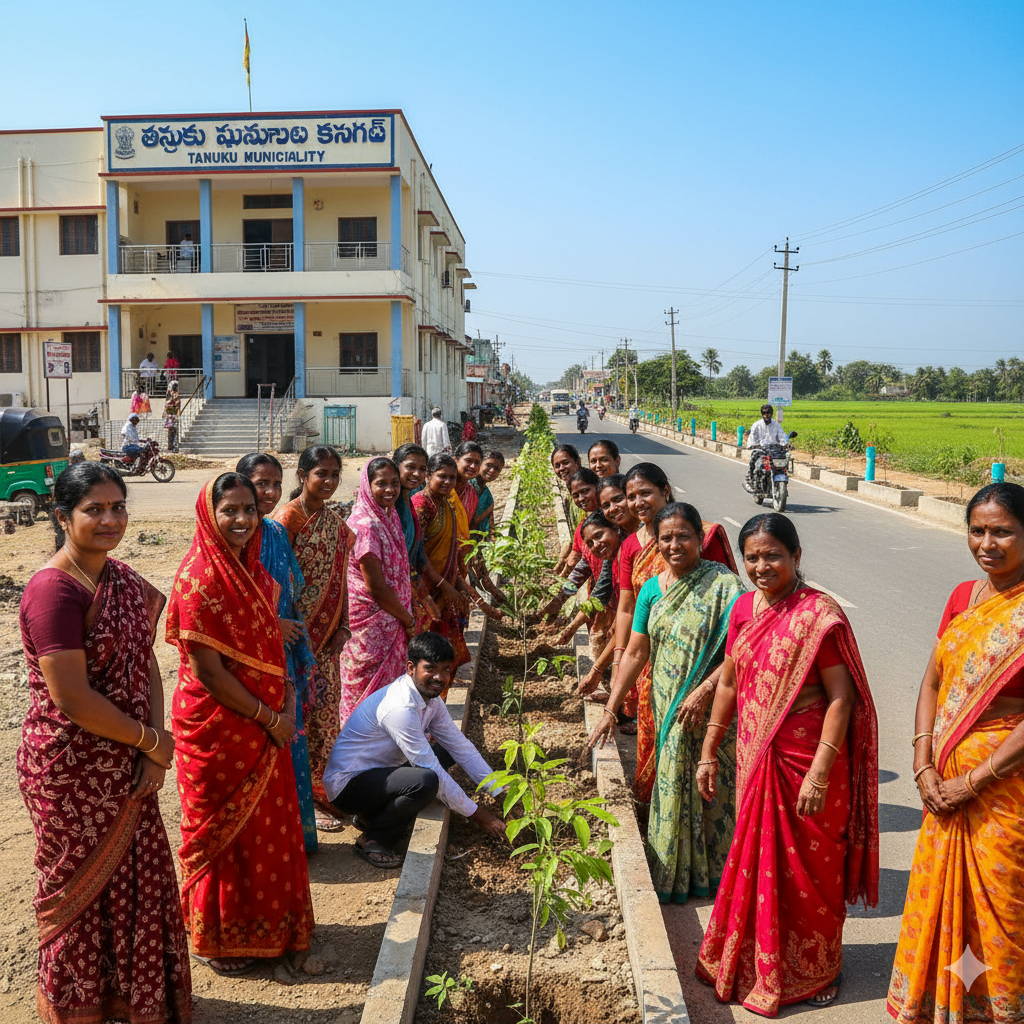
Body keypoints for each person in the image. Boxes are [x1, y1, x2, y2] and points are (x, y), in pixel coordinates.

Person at [18, 463, 191, 1022]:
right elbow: (71, 697)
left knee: (137, 882)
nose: (110, 519)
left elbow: (147, 667)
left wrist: (153, 750)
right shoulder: (52, 591)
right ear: (63, 515)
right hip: (72, 772)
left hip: (131, 760)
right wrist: (149, 739)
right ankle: (79, 1005)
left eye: (118, 506)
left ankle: (134, 998)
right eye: (94, 509)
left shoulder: (124, 580)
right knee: (80, 890)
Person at [695, 513, 879, 1013]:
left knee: (812, 869)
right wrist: (710, 749)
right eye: (752, 556)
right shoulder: (743, 609)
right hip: (757, 753)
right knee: (756, 859)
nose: (761, 565)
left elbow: (842, 698)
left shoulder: (819, 614)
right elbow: (729, 683)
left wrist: (820, 771)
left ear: (796, 556)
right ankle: (755, 962)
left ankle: (816, 968)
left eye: (773, 555)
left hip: (809, 757)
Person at [888, 482, 1024, 1022]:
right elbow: (931, 683)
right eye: (977, 530)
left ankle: (1000, 1011)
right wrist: (922, 765)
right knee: (945, 901)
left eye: (1003, 531)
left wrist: (971, 782)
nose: (987, 543)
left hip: (1004, 789)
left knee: (1001, 907)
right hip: (941, 786)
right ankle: (942, 1006)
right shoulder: (963, 598)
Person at [168, 474, 313, 977]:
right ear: (209, 512)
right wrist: (271, 717)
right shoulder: (199, 577)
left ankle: (271, 925)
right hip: (219, 729)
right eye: (230, 510)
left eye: (249, 510)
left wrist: (284, 703)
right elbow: (209, 672)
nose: (243, 520)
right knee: (223, 837)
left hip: (264, 725)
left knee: (265, 829)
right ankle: (220, 940)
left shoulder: (249, 568)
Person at [588, 503, 744, 904]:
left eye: (683, 536)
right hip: (668, 705)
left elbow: (739, 652)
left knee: (713, 790)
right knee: (672, 782)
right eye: (666, 538)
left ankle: (717, 874)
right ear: (655, 543)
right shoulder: (653, 589)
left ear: (699, 539)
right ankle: (674, 875)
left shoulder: (725, 586)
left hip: (712, 708)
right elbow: (636, 652)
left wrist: (705, 690)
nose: (675, 545)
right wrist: (610, 709)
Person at [324, 631, 507, 867]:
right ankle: (373, 838)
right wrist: (481, 816)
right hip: (349, 786)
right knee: (425, 781)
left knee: (447, 750)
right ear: (411, 668)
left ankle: (372, 817)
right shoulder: (399, 707)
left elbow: (461, 747)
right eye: (430, 668)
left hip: (380, 773)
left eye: (446, 669)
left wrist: (501, 791)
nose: (439, 677)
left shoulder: (431, 700)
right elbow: (430, 770)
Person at [613, 463, 738, 770]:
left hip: (707, 665)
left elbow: (729, 615)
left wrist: (710, 683)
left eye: (646, 493)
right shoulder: (631, 545)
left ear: (665, 491)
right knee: (655, 748)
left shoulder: (704, 537)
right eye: (631, 496)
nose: (638, 502)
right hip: (653, 666)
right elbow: (628, 608)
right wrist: (617, 663)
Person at [236, 452, 319, 853]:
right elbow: (227, 606)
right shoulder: (234, 534)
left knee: (290, 740)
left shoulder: (273, 531)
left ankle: (294, 840)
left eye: (274, 483)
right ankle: (262, 844)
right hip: (248, 661)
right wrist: (271, 623)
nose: (269, 492)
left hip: (282, 655)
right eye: (260, 483)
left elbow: (292, 585)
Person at [274, 445, 355, 830]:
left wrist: (344, 626)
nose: (329, 481)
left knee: (326, 718)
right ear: (303, 476)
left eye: (335, 475)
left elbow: (341, 578)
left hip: (326, 642)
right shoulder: (285, 520)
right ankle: (303, 799)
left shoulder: (334, 522)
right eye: (321, 473)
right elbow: (272, 580)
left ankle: (323, 793)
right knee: (299, 718)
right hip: (292, 642)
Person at [338, 458, 414, 728]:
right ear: (367, 486)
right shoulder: (366, 524)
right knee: (367, 692)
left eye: (394, 483)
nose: (390, 490)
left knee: (388, 692)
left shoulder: (388, 515)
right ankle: (359, 749)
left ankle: (383, 749)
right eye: (381, 484)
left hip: (391, 617)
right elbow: (377, 587)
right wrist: (408, 619)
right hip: (372, 624)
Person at [411, 454, 483, 674]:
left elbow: (451, 553)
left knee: (443, 654)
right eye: (442, 476)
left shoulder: (446, 504)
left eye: (452, 477)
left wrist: (458, 585)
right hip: (425, 591)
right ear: (428, 476)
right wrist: (445, 585)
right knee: (427, 653)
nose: (448, 482)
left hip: (445, 588)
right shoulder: (422, 506)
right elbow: (418, 556)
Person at [746, 404, 789, 482]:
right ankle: (750, 478)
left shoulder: (777, 425)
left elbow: (782, 436)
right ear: (762, 414)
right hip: (761, 451)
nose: (766, 415)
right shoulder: (756, 425)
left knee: (785, 461)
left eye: (768, 413)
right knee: (756, 463)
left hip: (774, 451)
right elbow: (752, 436)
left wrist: (786, 444)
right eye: (764, 413)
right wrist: (751, 445)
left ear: (772, 413)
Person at [164, 381, 181, 452]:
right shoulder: (171, 396)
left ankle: (172, 445)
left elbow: (177, 404)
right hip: (171, 415)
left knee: (173, 431)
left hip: (172, 415)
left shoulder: (172, 396)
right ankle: (172, 446)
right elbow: (169, 405)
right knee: (172, 431)